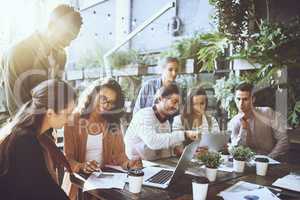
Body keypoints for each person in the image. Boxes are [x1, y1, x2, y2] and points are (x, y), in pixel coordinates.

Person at [62, 78, 141, 200]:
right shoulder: (73, 120)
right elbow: (67, 159)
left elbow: (120, 155)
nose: (105, 105)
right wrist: (82, 166)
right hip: (78, 183)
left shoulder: (112, 122)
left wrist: (129, 164)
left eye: (110, 102)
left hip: (104, 182)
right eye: (102, 98)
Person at [0, 80, 77, 200]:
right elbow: (45, 188)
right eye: (68, 114)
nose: (70, 119)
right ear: (50, 113)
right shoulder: (25, 141)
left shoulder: (25, 132)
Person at [1, 4, 82, 116]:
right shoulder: (19, 52)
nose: (68, 43)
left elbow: (55, 94)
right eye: (66, 35)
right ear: (51, 25)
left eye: (72, 39)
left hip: (42, 121)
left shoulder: (61, 56)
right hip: (12, 122)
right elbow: (16, 106)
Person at [125, 83, 199, 161]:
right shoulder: (144, 115)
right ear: (160, 98)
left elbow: (165, 143)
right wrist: (185, 134)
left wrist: (181, 150)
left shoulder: (165, 122)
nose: (177, 107)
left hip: (153, 165)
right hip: (135, 167)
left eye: (179, 104)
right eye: (174, 102)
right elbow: (152, 141)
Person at [228, 83, 289, 159]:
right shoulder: (234, 122)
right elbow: (236, 149)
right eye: (238, 99)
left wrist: (269, 159)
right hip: (247, 162)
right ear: (234, 99)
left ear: (253, 99)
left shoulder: (268, 113)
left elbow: (283, 139)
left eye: (245, 99)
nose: (241, 104)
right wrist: (243, 129)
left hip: (272, 159)